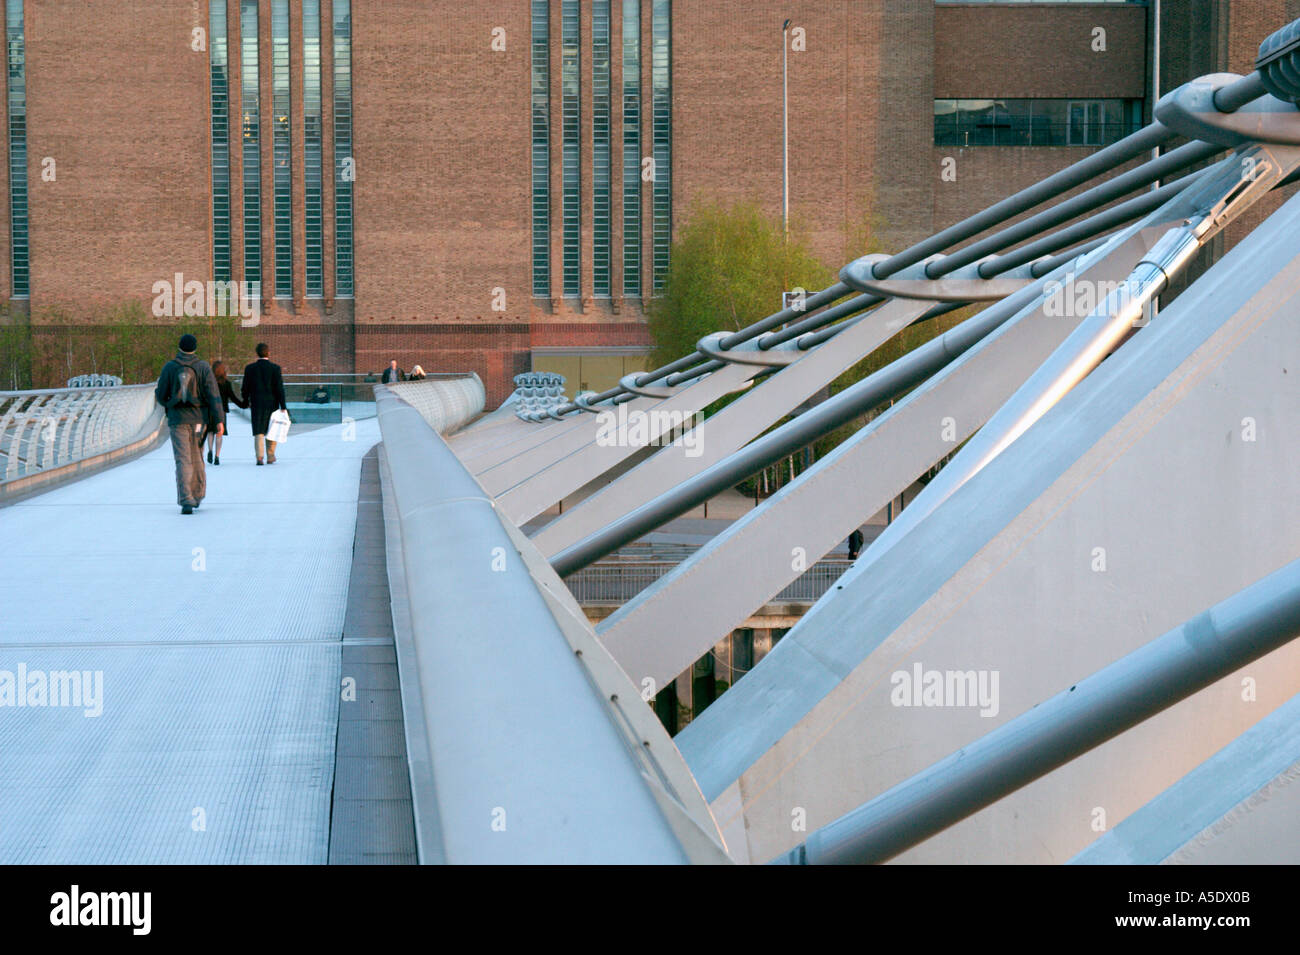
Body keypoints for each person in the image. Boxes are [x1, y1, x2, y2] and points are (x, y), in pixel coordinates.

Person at [155, 333, 223, 515]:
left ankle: (186, 500)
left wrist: (169, 402)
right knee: (197, 456)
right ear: (195, 348)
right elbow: (213, 395)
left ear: (179, 347)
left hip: (178, 420)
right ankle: (198, 495)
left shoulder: (170, 367)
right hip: (199, 419)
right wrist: (219, 421)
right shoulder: (203, 367)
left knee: (183, 459)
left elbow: (161, 395)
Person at [241, 342, 288, 466]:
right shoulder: (275, 368)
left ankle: (259, 456)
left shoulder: (250, 368)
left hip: (256, 403)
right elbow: (279, 388)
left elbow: (245, 387)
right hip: (272, 403)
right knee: (272, 428)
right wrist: (283, 406)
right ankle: (271, 455)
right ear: (269, 353)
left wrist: (246, 401)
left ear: (257, 353)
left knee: (258, 429)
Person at [206, 360, 247, 466]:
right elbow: (233, 398)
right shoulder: (226, 384)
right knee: (219, 433)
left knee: (210, 432)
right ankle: (217, 456)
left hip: (209, 410)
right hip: (221, 411)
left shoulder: (208, 383)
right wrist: (243, 405)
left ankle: (210, 450)